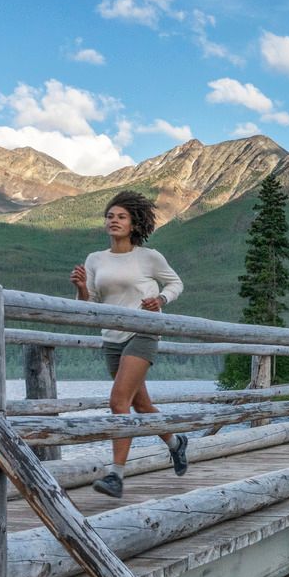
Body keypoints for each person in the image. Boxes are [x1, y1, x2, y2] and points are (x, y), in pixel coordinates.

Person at [70, 190, 187, 497]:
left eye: (121, 216)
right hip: (111, 336)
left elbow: (176, 283)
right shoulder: (95, 259)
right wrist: (82, 287)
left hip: (144, 330)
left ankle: (116, 476)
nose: (114, 221)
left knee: (118, 401)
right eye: (110, 216)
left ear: (134, 224)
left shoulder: (149, 257)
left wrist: (160, 299)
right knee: (140, 404)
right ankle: (176, 443)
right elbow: (89, 304)